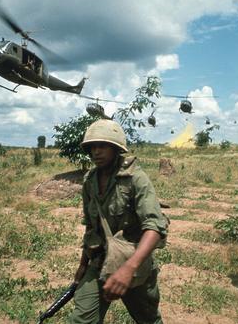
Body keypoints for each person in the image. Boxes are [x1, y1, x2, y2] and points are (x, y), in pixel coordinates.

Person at [70, 119, 168, 324]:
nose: (96, 152)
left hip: (134, 262)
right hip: (99, 261)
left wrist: (128, 269)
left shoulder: (136, 179)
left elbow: (155, 227)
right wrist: (83, 264)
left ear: (116, 148)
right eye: (92, 147)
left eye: (103, 146)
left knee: (148, 319)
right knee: (81, 320)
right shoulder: (89, 181)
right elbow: (91, 227)